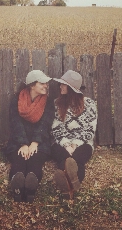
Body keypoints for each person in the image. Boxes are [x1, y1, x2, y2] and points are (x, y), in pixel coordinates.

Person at [5, 70, 55, 203]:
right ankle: (17, 188)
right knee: (19, 160)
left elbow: (45, 123)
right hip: (18, 142)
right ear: (32, 85)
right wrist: (23, 144)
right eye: (42, 83)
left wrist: (35, 143)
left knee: (35, 161)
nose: (46, 85)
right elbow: (15, 123)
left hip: (40, 142)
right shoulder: (17, 100)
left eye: (46, 83)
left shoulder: (48, 103)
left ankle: (31, 188)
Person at [50, 70, 97, 199]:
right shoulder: (57, 104)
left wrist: (75, 144)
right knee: (65, 159)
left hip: (83, 143)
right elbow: (56, 127)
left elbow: (90, 130)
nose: (60, 87)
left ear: (71, 88)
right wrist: (66, 144)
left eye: (63, 84)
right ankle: (73, 185)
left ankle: (67, 188)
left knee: (77, 160)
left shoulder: (90, 104)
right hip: (60, 143)